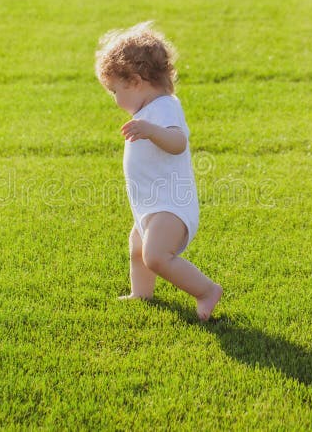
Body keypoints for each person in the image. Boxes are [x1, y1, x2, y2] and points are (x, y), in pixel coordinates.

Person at [95, 21, 223, 321]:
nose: (116, 100)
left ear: (136, 80)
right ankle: (141, 293)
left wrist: (152, 131)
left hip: (171, 206)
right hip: (152, 205)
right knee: (138, 248)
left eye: (115, 90)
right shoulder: (148, 111)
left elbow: (178, 142)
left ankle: (206, 291)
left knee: (155, 256)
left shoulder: (164, 107)